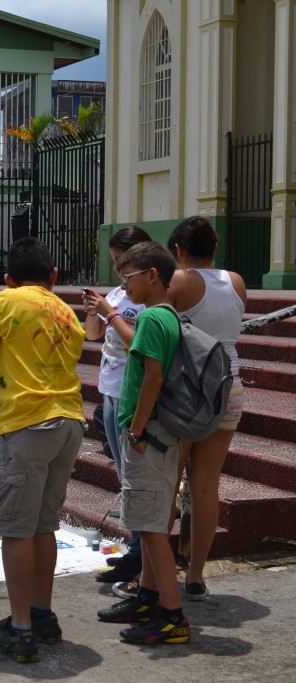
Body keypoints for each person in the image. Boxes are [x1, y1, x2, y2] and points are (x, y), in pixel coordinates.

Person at [0, 236, 85, 663]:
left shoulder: (6, 302)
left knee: (15, 528)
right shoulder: (68, 313)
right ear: (54, 276)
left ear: (8, 278)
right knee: (45, 524)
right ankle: (42, 615)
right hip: (68, 422)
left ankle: (21, 627)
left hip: (28, 426)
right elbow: (38, 362)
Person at [95, 241, 191, 645]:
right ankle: (149, 598)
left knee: (150, 529)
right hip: (160, 435)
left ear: (153, 275)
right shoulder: (168, 315)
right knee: (152, 522)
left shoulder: (152, 319)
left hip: (147, 435)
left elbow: (152, 377)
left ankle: (172, 617)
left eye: (128, 277)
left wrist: (134, 430)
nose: (124, 286)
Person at [167, 215, 247, 602]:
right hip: (228, 387)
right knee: (205, 486)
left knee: (167, 483)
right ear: (213, 248)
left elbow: (162, 327)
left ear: (179, 250)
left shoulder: (181, 280)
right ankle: (195, 576)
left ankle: (155, 575)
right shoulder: (235, 281)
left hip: (188, 392)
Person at [81, 226, 152, 588]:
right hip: (109, 390)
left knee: (135, 477)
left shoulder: (146, 297)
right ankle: (134, 551)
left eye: (121, 263)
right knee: (125, 476)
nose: (117, 271)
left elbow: (137, 341)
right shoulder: (120, 292)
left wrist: (110, 313)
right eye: (113, 264)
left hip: (130, 392)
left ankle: (141, 556)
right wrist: (96, 309)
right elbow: (92, 335)